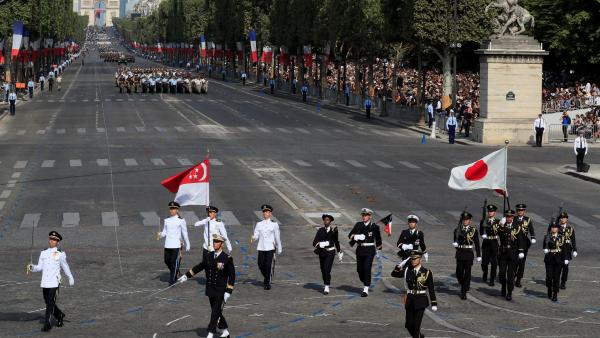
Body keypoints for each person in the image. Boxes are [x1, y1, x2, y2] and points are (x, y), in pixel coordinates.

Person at [178, 234, 235, 338]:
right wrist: (187, 276)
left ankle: (210, 333)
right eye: (214, 241)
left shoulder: (227, 258)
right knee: (216, 310)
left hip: (220, 289)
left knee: (214, 312)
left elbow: (232, 276)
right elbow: (200, 267)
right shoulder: (209, 255)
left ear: (222, 244)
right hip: (210, 288)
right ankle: (225, 331)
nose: (214, 244)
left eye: (217, 242)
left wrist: (228, 290)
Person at [27, 231, 75, 332]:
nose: (51, 241)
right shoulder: (43, 252)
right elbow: (40, 267)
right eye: (50, 239)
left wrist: (70, 277)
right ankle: (60, 315)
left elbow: (65, 266)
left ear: (57, 242)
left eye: (54, 240)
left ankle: (47, 324)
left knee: (50, 303)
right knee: (48, 301)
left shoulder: (60, 253)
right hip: (45, 282)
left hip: (55, 282)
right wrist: (32, 267)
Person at [391, 250, 437, 338]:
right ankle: (419, 336)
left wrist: (434, 303)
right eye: (412, 259)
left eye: (415, 259)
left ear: (420, 259)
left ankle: (417, 335)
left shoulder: (426, 272)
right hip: (410, 299)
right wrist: (398, 267)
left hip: (421, 299)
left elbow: (431, 288)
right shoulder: (407, 270)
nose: (413, 261)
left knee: (416, 326)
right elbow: (394, 274)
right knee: (408, 324)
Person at [348, 208, 382, 297]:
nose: (364, 217)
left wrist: (379, 249)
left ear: (370, 216)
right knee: (359, 270)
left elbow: (378, 239)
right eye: (363, 215)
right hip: (360, 249)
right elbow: (350, 235)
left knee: (367, 268)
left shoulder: (374, 227)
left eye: (366, 215)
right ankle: (365, 280)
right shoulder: (358, 225)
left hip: (370, 249)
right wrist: (356, 236)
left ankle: (366, 288)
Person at [158, 201, 190, 285]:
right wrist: (160, 234)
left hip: (176, 245)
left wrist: (188, 243)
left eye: (173, 209)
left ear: (177, 210)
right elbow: (165, 232)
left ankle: (172, 279)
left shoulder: (181, 220)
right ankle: (175, 270)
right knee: (166, 260)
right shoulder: (166, 220)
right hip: (167, 244)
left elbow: (185, 233)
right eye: (170, 208)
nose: (171, 210)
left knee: (173, 262)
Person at [251, 204, 282, 290]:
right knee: (260, 265)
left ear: (270, 213)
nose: (265, 213)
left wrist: (279, 247)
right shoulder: (259, 224)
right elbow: (256, 235)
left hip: (270, 247)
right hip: (261, 247)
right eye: (264, 212)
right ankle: (268, 276)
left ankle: (267, 282)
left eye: (267, 212)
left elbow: (277, 237)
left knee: (268, 265)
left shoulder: (274, 224)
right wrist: (254, 237)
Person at [496, 209, 525, 301]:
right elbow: (499, 234)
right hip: (503, 253)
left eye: (510, 216)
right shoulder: (502, 226)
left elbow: (520, 239)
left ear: (513, 217)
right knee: (501, 273)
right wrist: (501, 225)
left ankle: (509, 292)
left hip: (513, 253)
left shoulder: (517, 227)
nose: (508, 218)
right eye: (507, 216)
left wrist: (521, 251)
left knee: (510, 275)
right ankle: (503, 286)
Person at [453, 211, 481, 300]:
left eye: (467, 220)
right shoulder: (457, 230)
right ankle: (464, 285)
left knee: (467, 273)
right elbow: (455, 240)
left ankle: (463, 291)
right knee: (459, 273)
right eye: (464, 220)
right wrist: (455, 244)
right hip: (460, 253)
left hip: (469, 253)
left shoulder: (473, 230)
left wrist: (479, 255)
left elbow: (477, 243)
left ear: (470, 220)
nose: (465, 221)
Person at [312, 214, 343, 295]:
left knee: (326, 269)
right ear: (323, 221)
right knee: (323, 269)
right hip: (322, 252)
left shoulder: (333, 231)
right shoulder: (320, 230)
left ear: (330, 222)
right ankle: (326, 282)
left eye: (328, 220)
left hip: (330, 252)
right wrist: (320, 244)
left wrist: (339, 251)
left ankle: (326, 286)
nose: (326, 221)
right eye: (325, 220)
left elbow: (336, 242)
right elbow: (314, 242)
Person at [514, 204, 535, 287]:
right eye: (519, 210)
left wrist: (533, 237)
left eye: (522, 210)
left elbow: (531, 229)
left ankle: (518, 279)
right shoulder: (513, 219)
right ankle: (513, 275)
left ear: (524, 211)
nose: (520, 212)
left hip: (524, 242)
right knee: (514, 261)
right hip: (515, 242)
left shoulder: (527, 219)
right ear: (516, 211)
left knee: (522, 263)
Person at [544, 222, 565, 302]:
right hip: (549, 259)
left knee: (556, 277)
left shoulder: (561, 237)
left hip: (558, 259)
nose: (554, 229)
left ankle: (555, 294)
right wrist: (545, 249)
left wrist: (565, 258)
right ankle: (549, 288)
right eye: (552, 227)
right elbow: (544, 246)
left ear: (558, 229)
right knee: (549, 277)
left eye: (555, 227)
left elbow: (564, 249)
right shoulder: (547, 237)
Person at [480, 204, 500, 286]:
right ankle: (485, 272)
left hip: (494, 242)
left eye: (492, 211)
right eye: (489, 211)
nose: (490, 213)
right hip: (486, 243)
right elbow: (481, 231)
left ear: (494, 213)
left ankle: (492, 279)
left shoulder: (498, 221)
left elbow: (501, 232)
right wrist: (483, 235)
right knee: (484, 263)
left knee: (494, 263)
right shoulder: (484, 220)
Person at [556, 212, 577, 289]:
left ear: (567, 219)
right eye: (561, 218)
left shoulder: (570, 229)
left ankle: (563, 282)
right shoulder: (556, 228)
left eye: (564, 218)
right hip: (558, 250)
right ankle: (556, 282)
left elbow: (573, 240)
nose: (562, 219)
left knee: (565, 268)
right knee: (557, 268)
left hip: (567, 251)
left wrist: (574, 250)